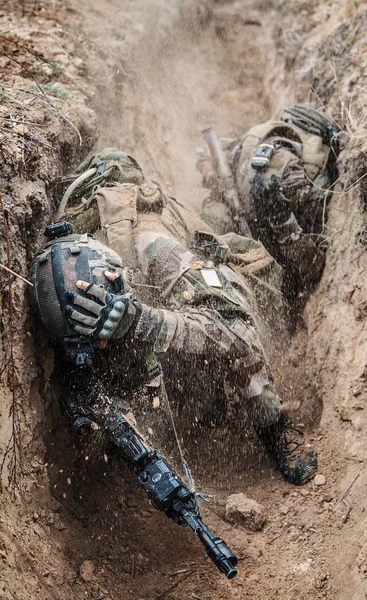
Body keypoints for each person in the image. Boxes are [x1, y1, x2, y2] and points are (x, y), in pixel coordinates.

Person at [30, 149, 317, 485]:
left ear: (116, 278)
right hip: (141, 312)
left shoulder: (154, 247)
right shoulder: (55, 276)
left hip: (201, 290)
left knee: (233, 334)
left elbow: (237, 330)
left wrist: (138, 320)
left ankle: (274, 432)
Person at [197, 105, 340, 298]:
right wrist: (215, 181)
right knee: (211, 223)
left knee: (278, 284)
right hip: (238, 216)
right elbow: (203, 154)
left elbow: (309, 261)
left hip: (277, 239)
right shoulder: (251, 143)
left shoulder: (310, 183)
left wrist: (285, 226)